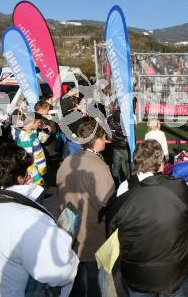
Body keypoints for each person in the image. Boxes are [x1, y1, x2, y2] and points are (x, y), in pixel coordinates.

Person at [0, 143, 79, 296]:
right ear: (19, 178)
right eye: (27, 173)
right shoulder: (29, 219)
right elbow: (60, 271)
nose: (30, 177)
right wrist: (64, 241)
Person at [108, 140, 188, 296]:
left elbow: (111, 229)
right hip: (174, 274)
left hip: (137, 276)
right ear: (160, 164)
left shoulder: (123, 190)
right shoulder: (179, 188)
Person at [57, 118, 115, 297]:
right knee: (96, 283)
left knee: (75, 283)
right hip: (93, 234)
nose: (105, 140)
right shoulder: (98, 166)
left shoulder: (67, 161)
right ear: (96, 139)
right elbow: (108, 201)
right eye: (103, 137)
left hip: (70, 233)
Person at [11, 112, 48, 186]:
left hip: (39, 168)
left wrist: (46, 130)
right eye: (38, 122)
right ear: (31, 122)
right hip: (34, 175)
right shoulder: (25, 139)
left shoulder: (31, 131)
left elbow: (41, 140)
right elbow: (28, 162)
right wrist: (37, 179)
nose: (39, 124)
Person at [35, 100, 62, 184]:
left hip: (53, 147)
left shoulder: (46, 117)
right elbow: (48, 134)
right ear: (41, 109)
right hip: (48, 150)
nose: (48, 111)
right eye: (47, 109)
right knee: (51, 172)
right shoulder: (39, 120)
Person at [107, 105, 130, 187]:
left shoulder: (110, 118)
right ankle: (129, 184)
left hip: (116, 145)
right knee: (128, 165)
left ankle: (115, 184)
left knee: (116, 166)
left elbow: (109, 134)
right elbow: (132, 130)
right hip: (125, 146)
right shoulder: (128, 117)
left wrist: (114, 140)